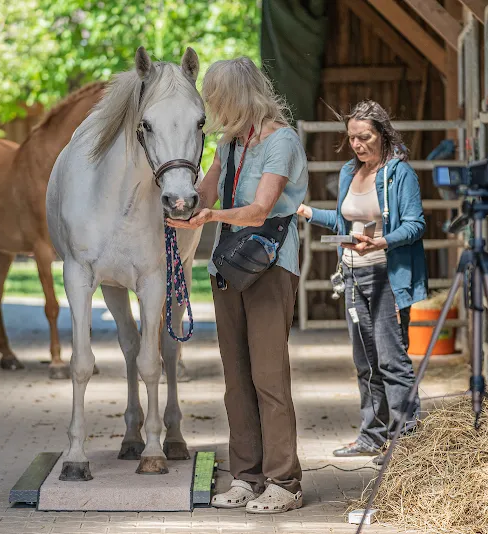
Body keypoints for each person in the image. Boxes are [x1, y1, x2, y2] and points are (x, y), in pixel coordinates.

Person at [166, 57, 308, 513]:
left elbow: (261, 209)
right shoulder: (228, 144)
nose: (215, 111)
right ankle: (246, 476)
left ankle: (284, 481)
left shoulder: (280, 140)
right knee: (236, 380)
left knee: (269, 378)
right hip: (228, 267)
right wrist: (184, 202)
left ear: (239, 96)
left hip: (269, 266)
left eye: (218, 101)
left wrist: (211, 218)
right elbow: (206, 191)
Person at [296, 100, 427, 462]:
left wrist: (382, 240)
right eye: (352, 137)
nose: (357, 144)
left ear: (382, 134)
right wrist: (306, 212)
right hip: (353, 273)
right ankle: (372, 435)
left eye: (364, 137)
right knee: (365, 360)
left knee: (391, 358)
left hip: (387, 275)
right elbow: (343, 222)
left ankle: (407, 442)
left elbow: (416, 225)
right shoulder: (347, 173)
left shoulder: (400, 175)